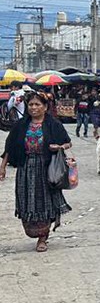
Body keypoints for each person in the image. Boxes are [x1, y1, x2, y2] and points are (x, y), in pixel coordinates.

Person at [0, 92, 72, 252]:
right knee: (27, 201)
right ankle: (33, 230)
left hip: (46, 168)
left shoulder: (54, 125)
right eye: (31, 104)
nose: (33, 107)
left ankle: (42, 237)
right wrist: (3, 166)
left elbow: (68, 143)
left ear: (45, 107)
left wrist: (59, 147)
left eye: (37, 104)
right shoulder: (21, 125)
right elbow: (9, 147)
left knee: (44, 202)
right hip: (25, 168)